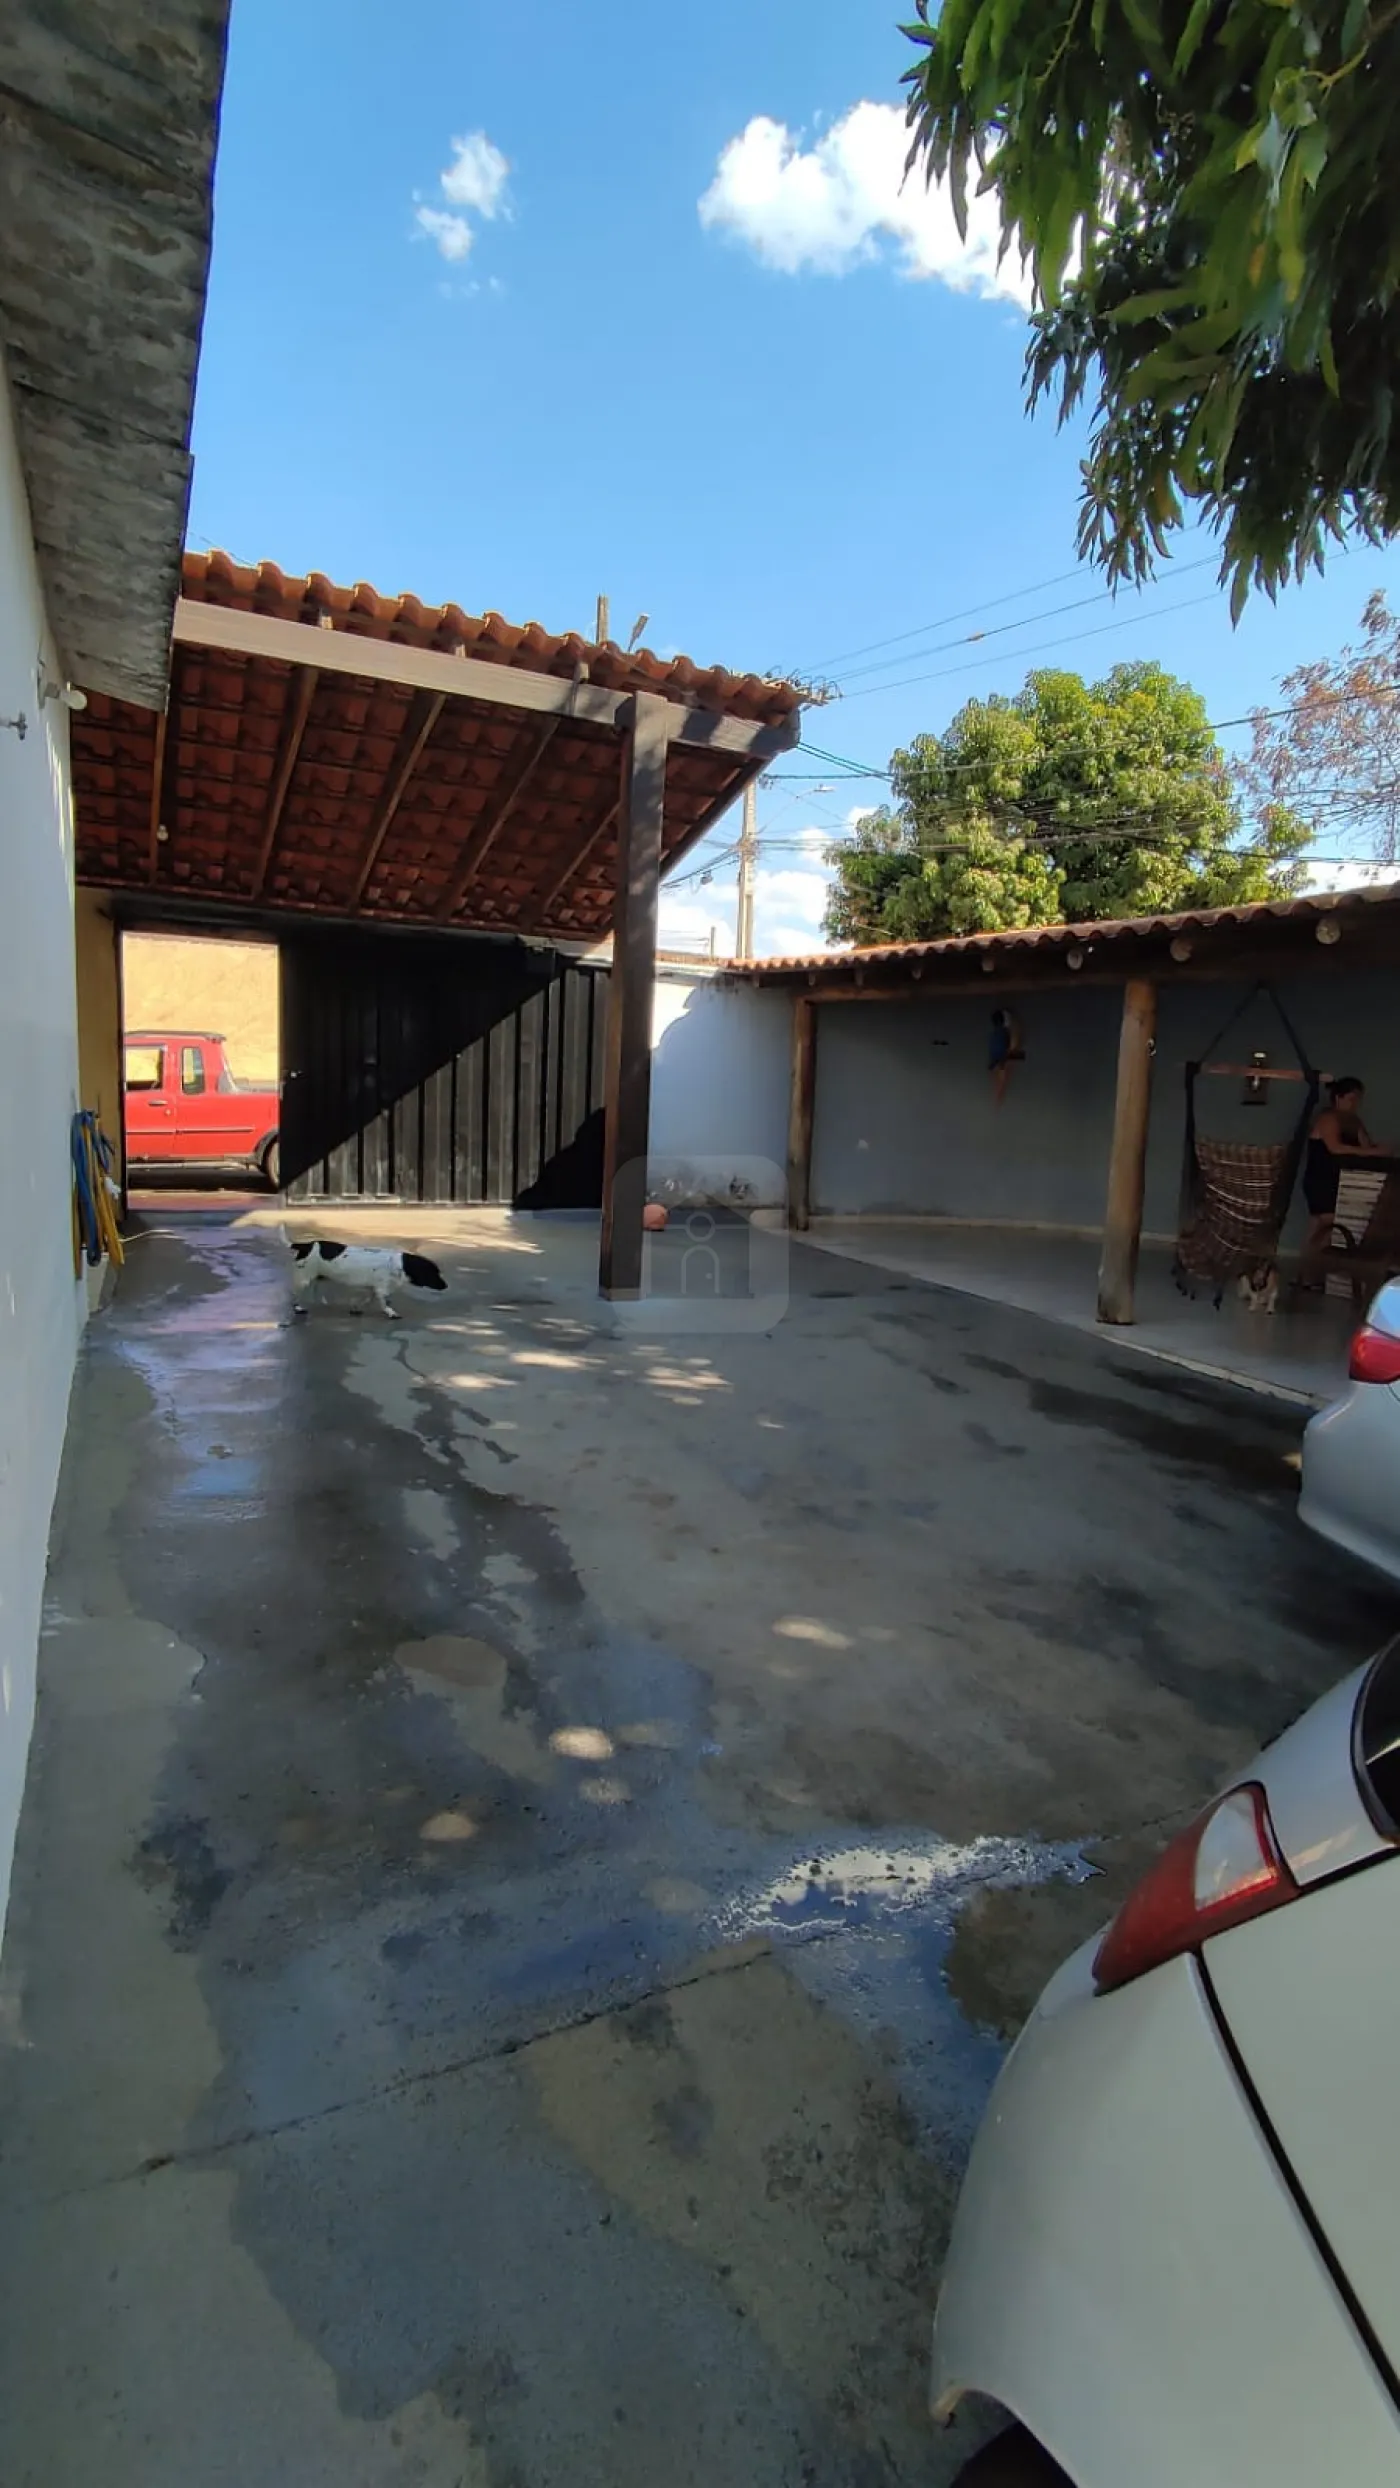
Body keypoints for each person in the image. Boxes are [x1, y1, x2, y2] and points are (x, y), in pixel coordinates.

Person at [1299, 1076, 1380, 1288]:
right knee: (1326, 1226)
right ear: (1338, 1098)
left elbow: (1366, 1146)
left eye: (1358, 1099)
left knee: (1319, 1226)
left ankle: (1308, 1275)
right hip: (1321, 1179)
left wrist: (1377, 1151)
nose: (1355, 1104)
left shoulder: (1354, 1122)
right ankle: (1311, 1275)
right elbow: (1335, 1147)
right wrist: (1370, 1152)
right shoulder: (1328, 1119)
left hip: (1341, 1179)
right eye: (1351, 1099)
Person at [988, 1007, 1025, 1107]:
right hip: (1001, 1059)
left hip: (996, 1059)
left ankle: (997, 1100)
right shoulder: (1003, 1034)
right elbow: (1011, 1047)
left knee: (999, 1080)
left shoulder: (995, 1035)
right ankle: (997, 1101)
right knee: (1001, 1080)